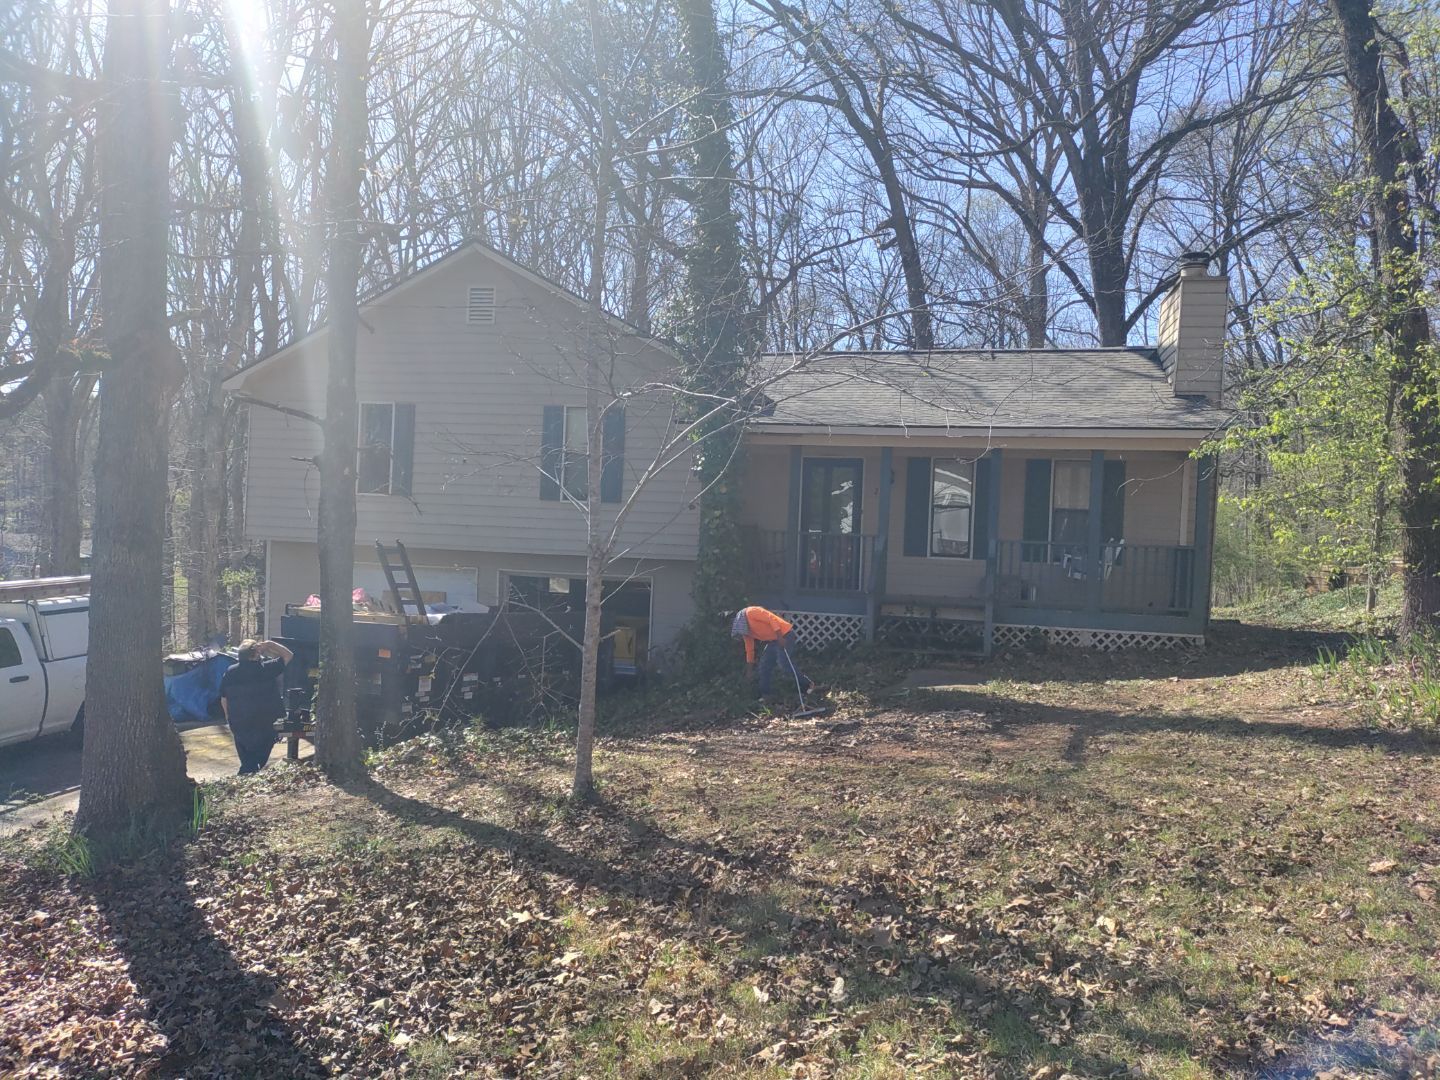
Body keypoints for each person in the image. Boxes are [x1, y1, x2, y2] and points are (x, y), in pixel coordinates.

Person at [219, 638, 293, 776]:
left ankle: (244, 780)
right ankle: (241, 781)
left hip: (239, 722)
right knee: (256, 761)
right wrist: (270, 644)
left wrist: (228, 716)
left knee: (248, 759)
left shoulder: (230, 672)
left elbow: (224, 698)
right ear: (255, 654)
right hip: (264, 723)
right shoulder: (266, 669)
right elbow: (288, 655)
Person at [730, 606, 814, 699]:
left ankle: (808, 684)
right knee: (764, 666)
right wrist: (749, 671)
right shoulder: (745, 631)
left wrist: (780, 637)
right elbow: (750, 650)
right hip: (773, 640)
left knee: (784, 663)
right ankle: (766, 694)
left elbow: (771, 618)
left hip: (784, 635)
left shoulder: (751, 612)